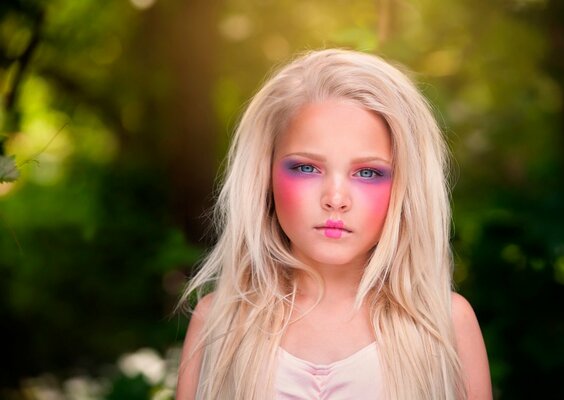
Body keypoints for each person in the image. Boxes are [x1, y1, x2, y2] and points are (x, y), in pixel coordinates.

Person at [176, 49, 492, 400]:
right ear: (264, 174)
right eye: (307, 168)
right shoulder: (218, 323)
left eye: (368, 172)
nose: (336, 198)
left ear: (405, 187)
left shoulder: (446, 325)